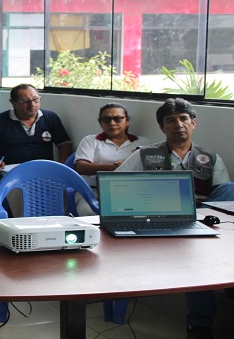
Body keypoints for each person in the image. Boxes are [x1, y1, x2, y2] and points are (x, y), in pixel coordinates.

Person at [116, 98, 234, 339]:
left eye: (183, 119)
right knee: (196, 257)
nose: (178, 124)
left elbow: (224, 196)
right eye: (171, 120)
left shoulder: (209, 158)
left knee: (231, 188)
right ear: (162, 127)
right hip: (159, 217)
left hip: (200, 218)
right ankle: (199, 325)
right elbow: (117, 184)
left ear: (194, 123)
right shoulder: (144, 155)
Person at [0, 84, 72, 173]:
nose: (32, 104)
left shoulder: (50, 118)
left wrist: (61, 165)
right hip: (12, 173)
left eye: (36, 99)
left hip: (44, 171)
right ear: (13, 103)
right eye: (26, 101)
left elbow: (64, 144)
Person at [75, 102, 152, 187]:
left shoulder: (143, 143)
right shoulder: (90, 141)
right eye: (106, 119)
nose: (112, 123)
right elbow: (80, 167)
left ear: (127, 121)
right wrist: (113, 167)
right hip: (93, 189)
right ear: (100, 123)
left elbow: (150, 169)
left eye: (118, 118)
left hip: (131, 188)